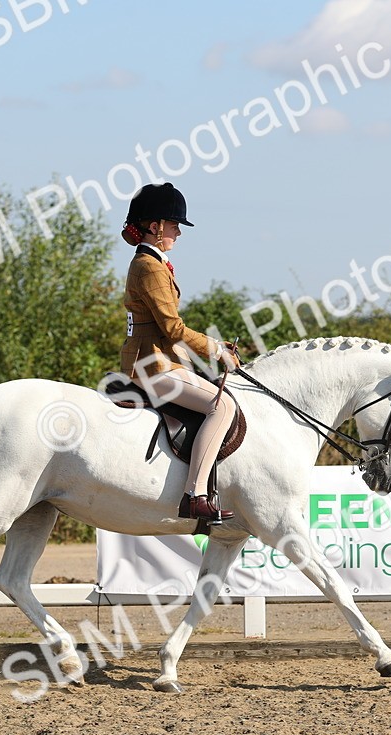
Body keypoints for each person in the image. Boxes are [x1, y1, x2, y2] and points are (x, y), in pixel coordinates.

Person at [118, 183, 240, 522]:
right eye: (174, 225)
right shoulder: (149, 267)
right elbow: (172, 328)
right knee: (222, 405)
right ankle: (195, 494)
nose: (178, 233)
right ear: (155, 226)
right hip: (151, 367)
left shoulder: (152, 263)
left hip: (155, 359)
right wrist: (215, 349)